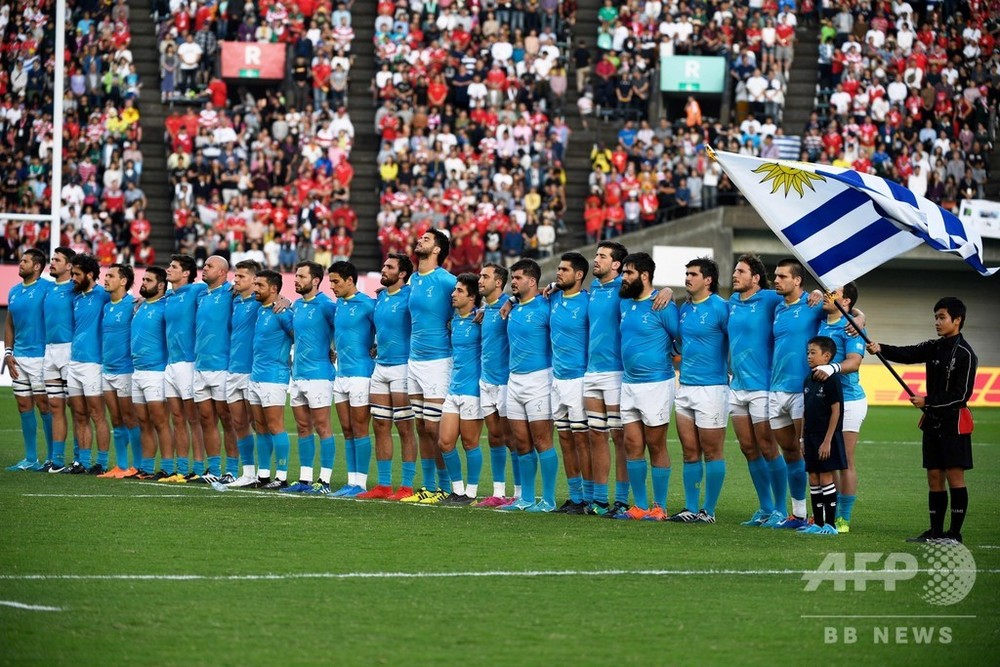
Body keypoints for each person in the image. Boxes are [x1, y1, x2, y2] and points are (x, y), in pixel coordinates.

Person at [867, 298, 977, 544]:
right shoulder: (934, 346)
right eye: (935, 317)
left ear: (957, 320)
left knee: (954, 477)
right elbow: (908, 353)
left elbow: (961, 395)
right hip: (932, 422)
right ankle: (936, 532)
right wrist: (880, 347)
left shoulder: (966, 354)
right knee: (934, 476)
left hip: (954, 423)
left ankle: (954, 534)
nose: (937, 322)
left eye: (942, 317)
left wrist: (927, 402)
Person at [761, 258, 825, 529]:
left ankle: (821, 516)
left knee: (806, 453)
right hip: (776, 390)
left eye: (782, 276)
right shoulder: (777, 307)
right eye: (776, 276)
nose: (776, 280)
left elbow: (849, 312)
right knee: (788, 452)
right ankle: (798, 514)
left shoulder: (813, 304)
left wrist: (859, 317)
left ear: (797, 280)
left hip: (801, 390)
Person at [617, 252, 679, 521]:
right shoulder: (625, 304)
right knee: (632, 444)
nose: (624, 278)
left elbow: (680, 338)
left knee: (656, 444)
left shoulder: (662, 305)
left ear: (644, 275)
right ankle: (640, 506)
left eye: (629, 273)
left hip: (656, 383)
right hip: (628, 383)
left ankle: (659, 507)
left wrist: (669, 354)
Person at [670, 258, 730, 524]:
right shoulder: (684, 308)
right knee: (689, 451)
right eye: (686, 273)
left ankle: (709, 510)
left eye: (693, 274)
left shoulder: (721, 307)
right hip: (685, 386)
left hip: (713, 388)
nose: (687, 278)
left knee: (713, 451)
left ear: (708, 280)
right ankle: (690, 508)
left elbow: (737, 338)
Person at [727, 254, 786, 526]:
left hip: (762, 386)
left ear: (755, 278)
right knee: (748, 448)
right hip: (736, 387)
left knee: (768, 447)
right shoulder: (731, 303)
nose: (735, 275)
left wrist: (857, 313)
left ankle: (781, 510)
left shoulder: (772, 299)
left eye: (741, 271)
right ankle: (764, 508)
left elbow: (809, 301)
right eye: (735, 271)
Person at [401, 231, 458, 503]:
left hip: (438, 361)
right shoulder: (413, 279)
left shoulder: (447, 281)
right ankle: (428, 485)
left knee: (435, 428)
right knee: (422, 426)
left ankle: (446, 487)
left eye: (426, 239)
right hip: (415, 360)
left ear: (437, 249)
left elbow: (469, 305)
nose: (419, 240)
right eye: (420, 237)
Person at [499, 259, 557, 513]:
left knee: (542, 440)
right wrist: (511, 300)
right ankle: (526, 498)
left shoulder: (547, 305)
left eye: (518, 277)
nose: (513, 281)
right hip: (514, 380)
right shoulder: (512, 307)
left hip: (540, 379)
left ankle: (549, 499)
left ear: (532, 281)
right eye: (513, 277)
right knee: (520, 442)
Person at [364, 253, 419, 500]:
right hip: (380, 366)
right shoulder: (381, 297)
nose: (383, 270)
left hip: (403, 367)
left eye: (389, 267)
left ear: (403, 274)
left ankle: (406, 486)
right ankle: (384, 485)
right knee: (380, 425)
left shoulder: (411, 296)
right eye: (384, 265)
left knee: (405, 427)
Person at [282, 261, 338, 494]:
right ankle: (305, 479)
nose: (296, 280)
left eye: (301, 276)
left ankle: (324, 481)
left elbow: (342, 329)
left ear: (315, 280)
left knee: (323, 426)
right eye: (296, 275)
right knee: (303, 427)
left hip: (319, 375)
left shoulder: (327, 305)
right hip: (299, 375)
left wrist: (333, 349)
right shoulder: (296, 305)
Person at [814, 283, 866, 533]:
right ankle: (828, 515)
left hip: (850, 399)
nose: (826, 295)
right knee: (828, 460)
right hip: (825, 399)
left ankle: (843, 517)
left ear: (845, 302)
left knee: (844, 460)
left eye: (832, 293)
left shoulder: (852, 328)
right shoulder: (822, 320)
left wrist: (832, 368)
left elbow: (854, 362)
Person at [582, 241, 629, 516]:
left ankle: (621, 500)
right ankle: (600, 500)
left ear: (617, 264)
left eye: (602, 256)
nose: (596, 259)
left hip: (616, 372)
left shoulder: (625, 288)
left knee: (620, 438)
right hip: (592, 372)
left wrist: (668, 291)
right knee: (595, 436)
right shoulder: (594, 290)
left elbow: (651, 294)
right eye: (596, 254)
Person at [329, 261, 376, 497]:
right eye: (330, 282)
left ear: (350, 280)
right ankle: (351, 481)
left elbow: (387, 328)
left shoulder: (368, 304)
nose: (332, 286)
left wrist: (377, 347)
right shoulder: (337, 304)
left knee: (359, 428)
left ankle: (361, 484)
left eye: (336, 281)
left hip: (361, 374)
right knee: (347, 429)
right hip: (341, 374)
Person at [549, 252, 591, 514]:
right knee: (565, 440)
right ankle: (575, 497)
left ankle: (589, 497)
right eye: (558, 269)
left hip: (579, 379)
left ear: (578, 275)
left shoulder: (588, 302)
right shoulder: (551, 297)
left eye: (564, 270)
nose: (558, 273)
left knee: (581, 441)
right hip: (557, 379)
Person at [4, 249, 53, 471]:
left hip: (41, 357)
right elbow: (9, 324)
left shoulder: (47, 289)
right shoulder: (13, 291)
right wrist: (8, 352)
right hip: (19, 358)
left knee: (45, 405)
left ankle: (53, 457)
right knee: (23, 404)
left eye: (25, 261)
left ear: (37, 266)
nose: (20, 263)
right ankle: (30, 458)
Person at [438, 274, 485, 505]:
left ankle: (472, 493)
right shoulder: (454, 321)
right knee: (445, 442)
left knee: (469, 443)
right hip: (454, 389)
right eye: (454, 290)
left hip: (472, 390)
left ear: (472, 297)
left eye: (459, 291)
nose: (453, 294)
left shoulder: (482, 319)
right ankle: (457, 490)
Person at [474, 263, 518, 507]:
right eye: (480, 276)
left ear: (499, 282)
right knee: (494, 437)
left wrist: (512, 299)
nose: (480, 280)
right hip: (486, 380)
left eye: (485, 276)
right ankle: (498, 492)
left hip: (505, 381)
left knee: (513, 439)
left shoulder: (509, 306)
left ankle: (521, 493)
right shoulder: (486, 309)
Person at [159, 255, 206, 482]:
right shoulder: (168, 296)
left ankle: (198, 467)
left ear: (186, 273)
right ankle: (182, 467)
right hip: (171, 363)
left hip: (188, 363)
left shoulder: (197, 291)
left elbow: (227, 291)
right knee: (177, 418)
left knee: (193, 419)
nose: (168, 269)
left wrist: (283, 299)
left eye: (173, 267)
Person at [248, 270, 294, 489]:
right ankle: (264, 474)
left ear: (273, 289)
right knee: (260, 427)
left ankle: (282, 476)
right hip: (256, 375)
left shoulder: (283, 312)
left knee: (275, 426)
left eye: (260, 285)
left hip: (274, 377)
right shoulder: (261, 310)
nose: (255, 288)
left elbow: (298, 337)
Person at [66, 253, 112, 474]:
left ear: (90, 275)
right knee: (79, 413)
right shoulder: (76, 298)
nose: (72, 277)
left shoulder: (104, 295)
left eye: (76, 274)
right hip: (74, 362)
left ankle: (101, 462)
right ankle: (82, 462)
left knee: (96, 414)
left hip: (94, 363)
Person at [128, 267, 175, 480]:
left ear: (161, 285)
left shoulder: (167, 306)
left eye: (148, 280)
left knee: (160, 422)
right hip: (137, 371)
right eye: (143, 279)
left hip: (156, 372)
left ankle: (167, 467)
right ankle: (146, 468)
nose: (143, 282)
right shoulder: (140, 305)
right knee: (143, 422)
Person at [797, 336, 847, 535]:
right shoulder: (808, 378)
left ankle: (831, 525)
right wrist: (802, 438)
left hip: (827, 437)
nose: (809, 356)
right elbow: (805, 410)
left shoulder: (832, 379)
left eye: (813, 352)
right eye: (808, 352)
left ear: (826, 357)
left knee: (826, 476)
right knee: (813, 477)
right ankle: (817, 523)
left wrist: (827, 440)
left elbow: (836, 410)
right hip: (809, 436)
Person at [193, 256, 237, 483]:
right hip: (200, 366)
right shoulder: (200, 293)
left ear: (222, 272)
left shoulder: (232, 293)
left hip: (222, 367)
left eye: (209, 266)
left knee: (228, 420)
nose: (204, 268)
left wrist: (283, 300)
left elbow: (261, 295)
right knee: (206, 420)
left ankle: (232, 470)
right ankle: (212, 469)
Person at [96, 264, 141, 478]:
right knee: (115, 419)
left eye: (111, 276)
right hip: (108, 368)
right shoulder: (107, 306)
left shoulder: (133, 304)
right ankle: (121, 466)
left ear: (123, 281)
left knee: (130, 418)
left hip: (126, 369)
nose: (106, 279)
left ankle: (138, 466)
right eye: (106, 275)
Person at [225, 260, 266, 488]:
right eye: (236, 276)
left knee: (259, 423)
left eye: (241, 276)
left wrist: (284, 299)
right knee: (239, 423)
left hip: (253, 371)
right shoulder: (235, 302)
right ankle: (248, 473)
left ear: (254, 279)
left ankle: (265, 472)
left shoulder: (262, 304)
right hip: (233, 370)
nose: (236, 280)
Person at [44, 247, 78, 473]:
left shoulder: (76, 290)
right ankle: (56, 461)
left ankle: (78, 459)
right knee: (55, 406)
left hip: (70, 351)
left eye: (57, 260)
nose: (52, 262)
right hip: (49, 351)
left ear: (69, 266)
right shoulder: (48, 290)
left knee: (77, 409)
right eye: (52, 259)